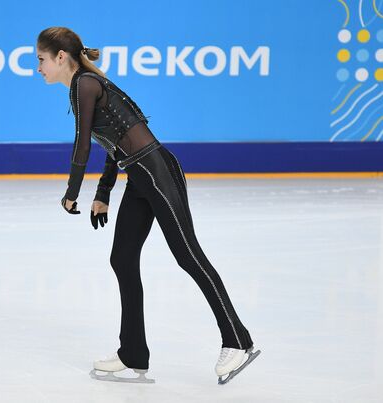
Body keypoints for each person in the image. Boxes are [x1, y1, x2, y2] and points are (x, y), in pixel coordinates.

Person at [36, 26, 261, 385]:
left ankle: (237, 339)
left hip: (156, 171)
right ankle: (133, 354)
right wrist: (103, 193)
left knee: (188, 255)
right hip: (141, 176)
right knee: (122, 258)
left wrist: (71, 191)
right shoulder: (88, 85)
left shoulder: (84, 85)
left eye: (42, 60)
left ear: (61, 57)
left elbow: (83, 145)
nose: (39, 67)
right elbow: (112, 145)